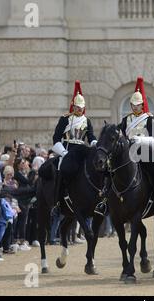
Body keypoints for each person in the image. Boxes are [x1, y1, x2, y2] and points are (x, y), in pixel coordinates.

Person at [118, 76, 154, 215]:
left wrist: (139, 140)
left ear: (142, 105)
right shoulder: (125, 120)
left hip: (144, 150)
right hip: (129, 151)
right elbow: (119, 134)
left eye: (137, 104)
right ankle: (104, 199)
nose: (135, 107)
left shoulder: (149, 119)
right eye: (133, 104)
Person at [51, 80, 97, 213]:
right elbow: (56, 138)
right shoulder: (65, 119)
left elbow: (91, 137)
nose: (79, 109)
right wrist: (63, 152)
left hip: (82, 150)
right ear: (73, 106)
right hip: (67, 150)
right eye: (77, 107)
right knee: (61, 168)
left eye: (81, 107)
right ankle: (57, 202)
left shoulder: (87, 121)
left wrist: (94, 143)